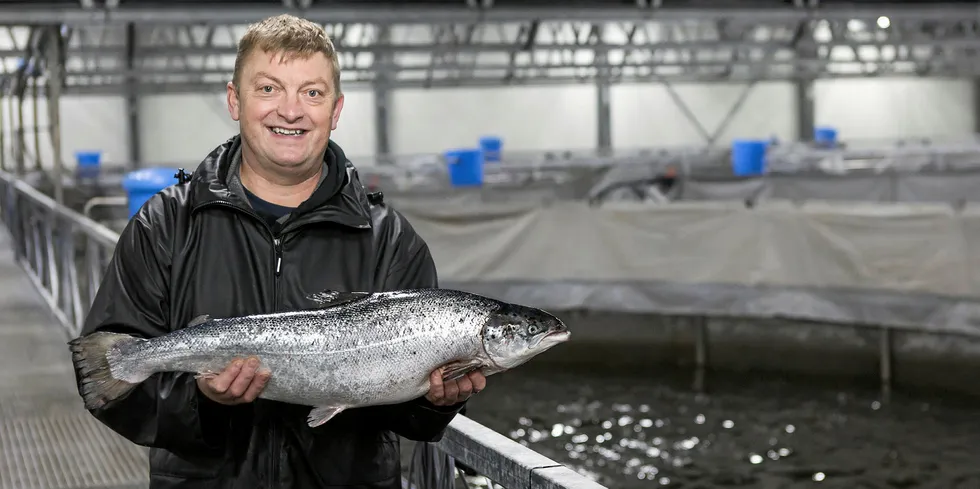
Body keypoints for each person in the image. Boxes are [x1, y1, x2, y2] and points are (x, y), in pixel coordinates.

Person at [74, 14, 486, 489]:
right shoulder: (166, 225)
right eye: (268, 88)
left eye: (312, 93)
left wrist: (437, 400)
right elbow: (113, 384)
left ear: (335, 110)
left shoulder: (390, 240)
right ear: (235, 100)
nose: (291, 111)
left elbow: (411, 423)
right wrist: (203, 401)